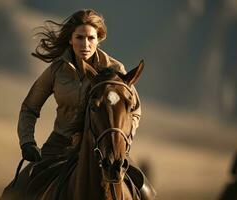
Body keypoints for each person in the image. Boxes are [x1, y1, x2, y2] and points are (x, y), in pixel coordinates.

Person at [17, 9, 153, 198]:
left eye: (91, 38)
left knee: (145, 191)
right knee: (15, 191)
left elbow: (135, 110)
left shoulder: (116, 71)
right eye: (79, 38)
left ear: (99, 39)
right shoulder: (57, 70)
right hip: (60, 145)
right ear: (70, 39)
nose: (85, 44)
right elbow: (29, 108)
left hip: (107, 146)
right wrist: (27, 142)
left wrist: (122, 139)